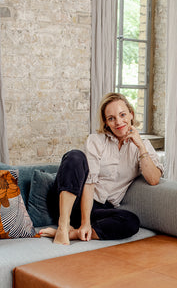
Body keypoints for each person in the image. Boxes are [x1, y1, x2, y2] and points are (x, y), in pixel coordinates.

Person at [40, 92, 163, 245]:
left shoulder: (142, 145)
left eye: (122, 115)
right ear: (106, 122)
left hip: (100, 210)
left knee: (131, 221)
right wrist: (85, 222)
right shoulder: (96, 141)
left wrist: (140, 146)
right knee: (75, 156)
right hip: (73, 201)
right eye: (111, 118)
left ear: (131, 114)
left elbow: (153, 179)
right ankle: (63, 227)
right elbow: (89, 183)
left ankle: (75, 233)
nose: (118, 122)